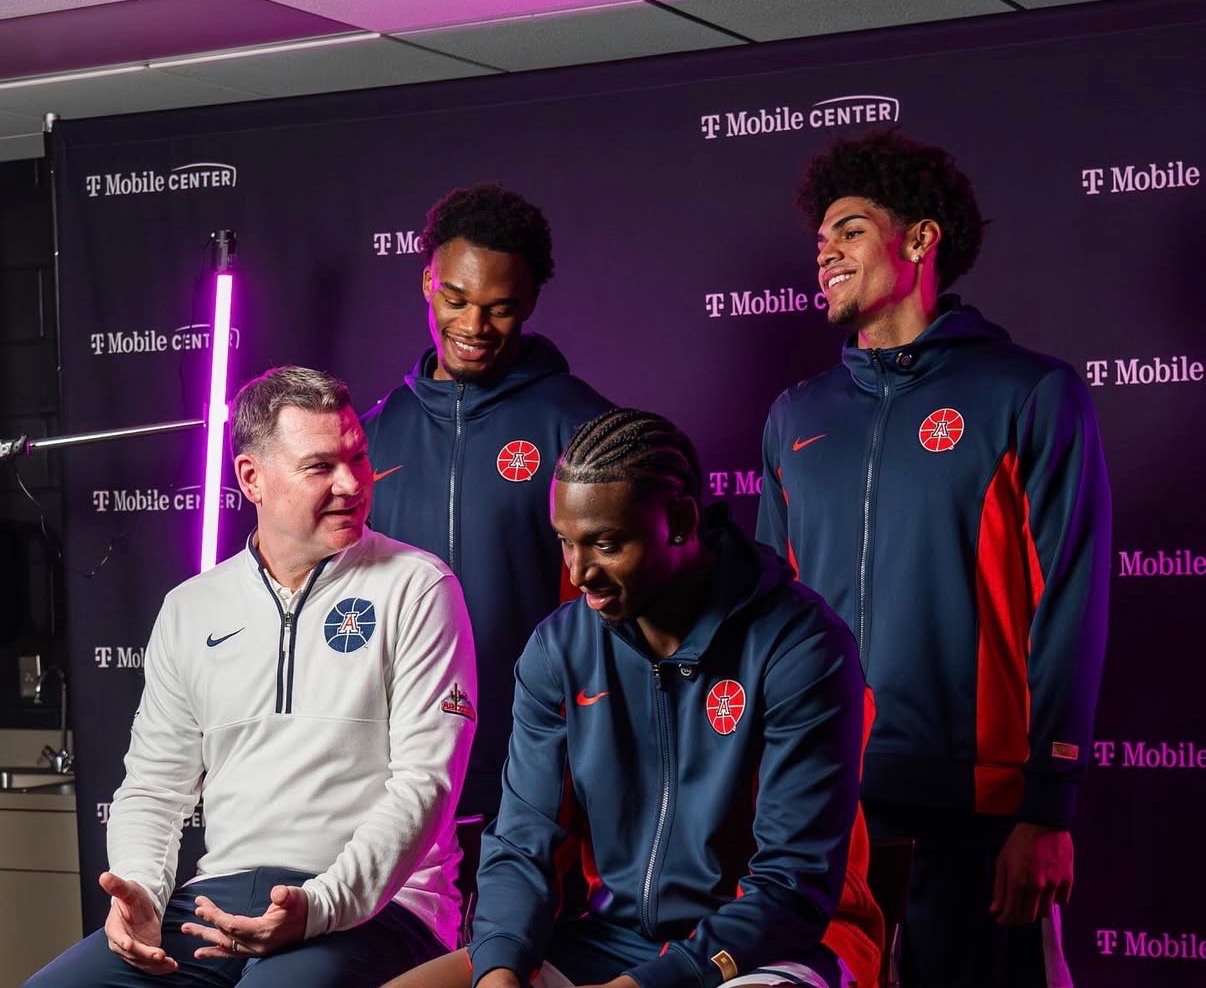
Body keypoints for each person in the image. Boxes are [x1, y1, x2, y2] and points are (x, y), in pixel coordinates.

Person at [757, 130, 1111, 988]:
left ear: (919, 240)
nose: (825, 253)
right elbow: (768, 619)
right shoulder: (796, 415)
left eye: (849, 231)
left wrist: (1047, 807)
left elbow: (1071, 601)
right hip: (829, 806)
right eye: (821, 240)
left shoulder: (1029, 394)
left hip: (980, 815)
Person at [383, 408, 881, 988]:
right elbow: (522, 841)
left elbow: (791, 887)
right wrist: (500, 967)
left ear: (680, 521)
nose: (579, 571)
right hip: (610, 941)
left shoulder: (801, 647)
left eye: (605, 544)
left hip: (770, 952)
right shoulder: (559, 649)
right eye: (566, 543)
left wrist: (649, 985)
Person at [24, 366, 477, 988]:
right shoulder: (191, 607)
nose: (351, 483)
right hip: (219, 899)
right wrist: (142, 895)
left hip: (380, 908)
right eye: (320, 467)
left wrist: (319, 906)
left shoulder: (419, 587)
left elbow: (426, 785)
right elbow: (154, 788)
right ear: (251, 478)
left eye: (357, 458)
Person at [363, 183, 611, 820]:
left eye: (500, 308)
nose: (473, 327)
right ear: (427, 283)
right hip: (396, 773)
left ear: (529, 302)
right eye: (456, 299)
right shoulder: (373, 434)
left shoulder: (581, 426)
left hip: (542, 764)